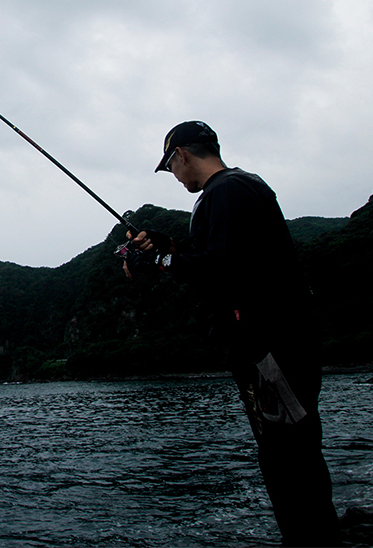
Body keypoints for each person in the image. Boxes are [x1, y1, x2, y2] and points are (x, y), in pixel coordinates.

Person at [125, 121, 340, 546]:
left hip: (271, 347)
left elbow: (220, 265)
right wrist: (167, 246)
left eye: (170, 166)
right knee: (289, 452)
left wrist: (161, 263)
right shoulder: (236, 190)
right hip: (273, 343)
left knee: (286, 456)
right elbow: (221, 255)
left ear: (181, 154)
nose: (174, 175)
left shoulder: (226, 191)